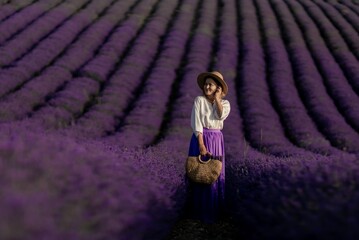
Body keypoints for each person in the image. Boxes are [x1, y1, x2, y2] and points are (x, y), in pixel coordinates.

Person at [185, 71, 231, 224]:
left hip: (217, 139)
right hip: (201, 138)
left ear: (218, 88)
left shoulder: (225, 104)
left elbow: (219, 116)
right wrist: (201, 145)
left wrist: (217, 99)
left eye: (211, 84)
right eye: (206, 84)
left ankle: (215, 211)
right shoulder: (199, 100)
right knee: (199, 172)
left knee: (214, 172)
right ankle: (199, 211)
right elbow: (196, 123)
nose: (207, 86)